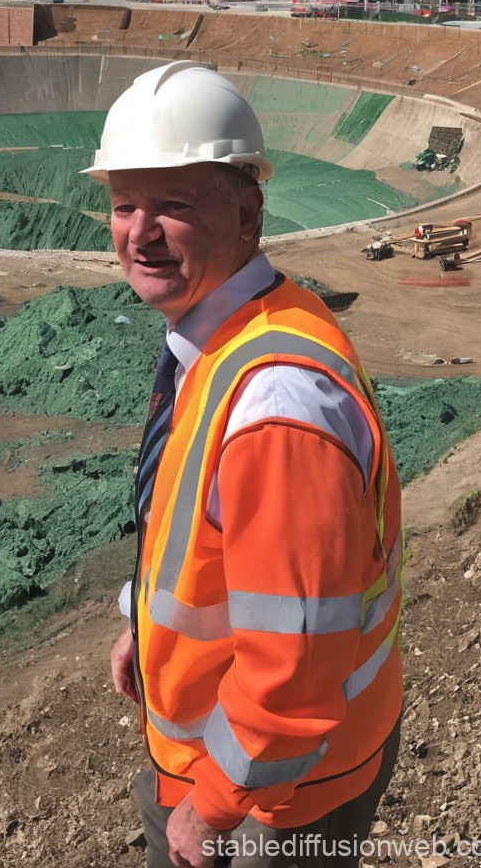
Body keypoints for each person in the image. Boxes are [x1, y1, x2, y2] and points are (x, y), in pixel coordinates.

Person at [86, 62, 404, 868]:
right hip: (264, 772)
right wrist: (142, 625)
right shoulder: (236, 333)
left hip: (276, 800)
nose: (140, 232)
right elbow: (207, 541)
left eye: (174, 204)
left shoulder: (275, 408)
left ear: (248, 214)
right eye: (123, 204)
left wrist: (214, 807)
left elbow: (297, 659)